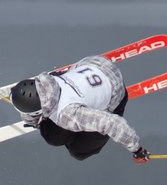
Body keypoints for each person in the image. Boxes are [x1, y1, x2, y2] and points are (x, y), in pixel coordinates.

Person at [11, 55, 150, 163]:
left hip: (116, 91)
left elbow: (112, 123)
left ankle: (77, 129)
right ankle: (65, 123)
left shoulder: (68, 114)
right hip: (95, 62)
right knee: (53, 137)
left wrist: (136, 149)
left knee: (78, 151)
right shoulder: (47, 79)